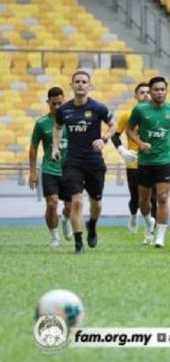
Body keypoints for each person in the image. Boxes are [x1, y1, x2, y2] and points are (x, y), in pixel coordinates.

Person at [52, 70, 116, 254]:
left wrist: (103, 139)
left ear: (89, 85)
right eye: (77, 81)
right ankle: (78, 244)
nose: (80, 84)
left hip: (94, 162)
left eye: (84, 81)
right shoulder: (64, 110)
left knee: (96, 202)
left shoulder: (98, 108)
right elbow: (57, 128)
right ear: (71, 85)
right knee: (76, 201)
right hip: (73, 162)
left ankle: (92, 225)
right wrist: (55, 148)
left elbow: (114, 124)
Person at [126, 76, 170, 248]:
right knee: (144, 200)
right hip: (145, 161)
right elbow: (129, 130)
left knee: (162, 197)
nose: (159, 92)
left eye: (162, 89)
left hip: (164, 160)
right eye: (156, 89)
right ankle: (148, 222)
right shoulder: (140, 110)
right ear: (150, 92)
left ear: (166, 91)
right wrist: (140, 144)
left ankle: (160, 236)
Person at [29, 87, 72, 247]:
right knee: (52, 203)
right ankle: (54, 237)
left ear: (64, 101)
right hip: (49, 168)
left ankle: (66, 220)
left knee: (69, 206)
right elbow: (33, 147)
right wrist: (33, 172)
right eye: (54, 104)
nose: (57, 107)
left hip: (69, 170)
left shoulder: (72, 121)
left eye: (60, 103)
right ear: (48, 103)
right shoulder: (41, 123)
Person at [112, 82, 154, 233]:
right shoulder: (127, 115)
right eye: (142, 92)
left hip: (153, 162)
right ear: (136, 96)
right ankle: (133, 215)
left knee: (153, 198)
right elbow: (115, 136)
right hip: (134, 161)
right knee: (136, 197)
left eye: (148, 91)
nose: (146, 95)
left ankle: (151, 230)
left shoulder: (158, 115)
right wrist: (122, 151)